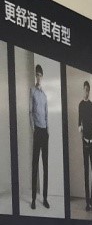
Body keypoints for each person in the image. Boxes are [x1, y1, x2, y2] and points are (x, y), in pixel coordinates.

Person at [29, 63, 50, 210]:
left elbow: (47, 114)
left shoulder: (44, 95)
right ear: (35, 76)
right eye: (37, 75)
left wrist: (48, 130)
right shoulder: (32, 91)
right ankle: (33, 199)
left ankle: (45, 198)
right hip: (37, 131)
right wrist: (33, 129)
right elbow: (30, 112)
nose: (38, 77)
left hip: (44, 133)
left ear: (42, 77)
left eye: (40, 75)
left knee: (45, 166)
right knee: (35, 165)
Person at [78, 80, 92, 211]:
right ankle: (87, 203)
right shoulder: (81, 105)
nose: (87, 92)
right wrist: (83, 139)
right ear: (83, 90)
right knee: (86, 172)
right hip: (85, 141)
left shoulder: (91, 105)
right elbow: (79, 124)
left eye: (88, 90)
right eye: (85, 89)